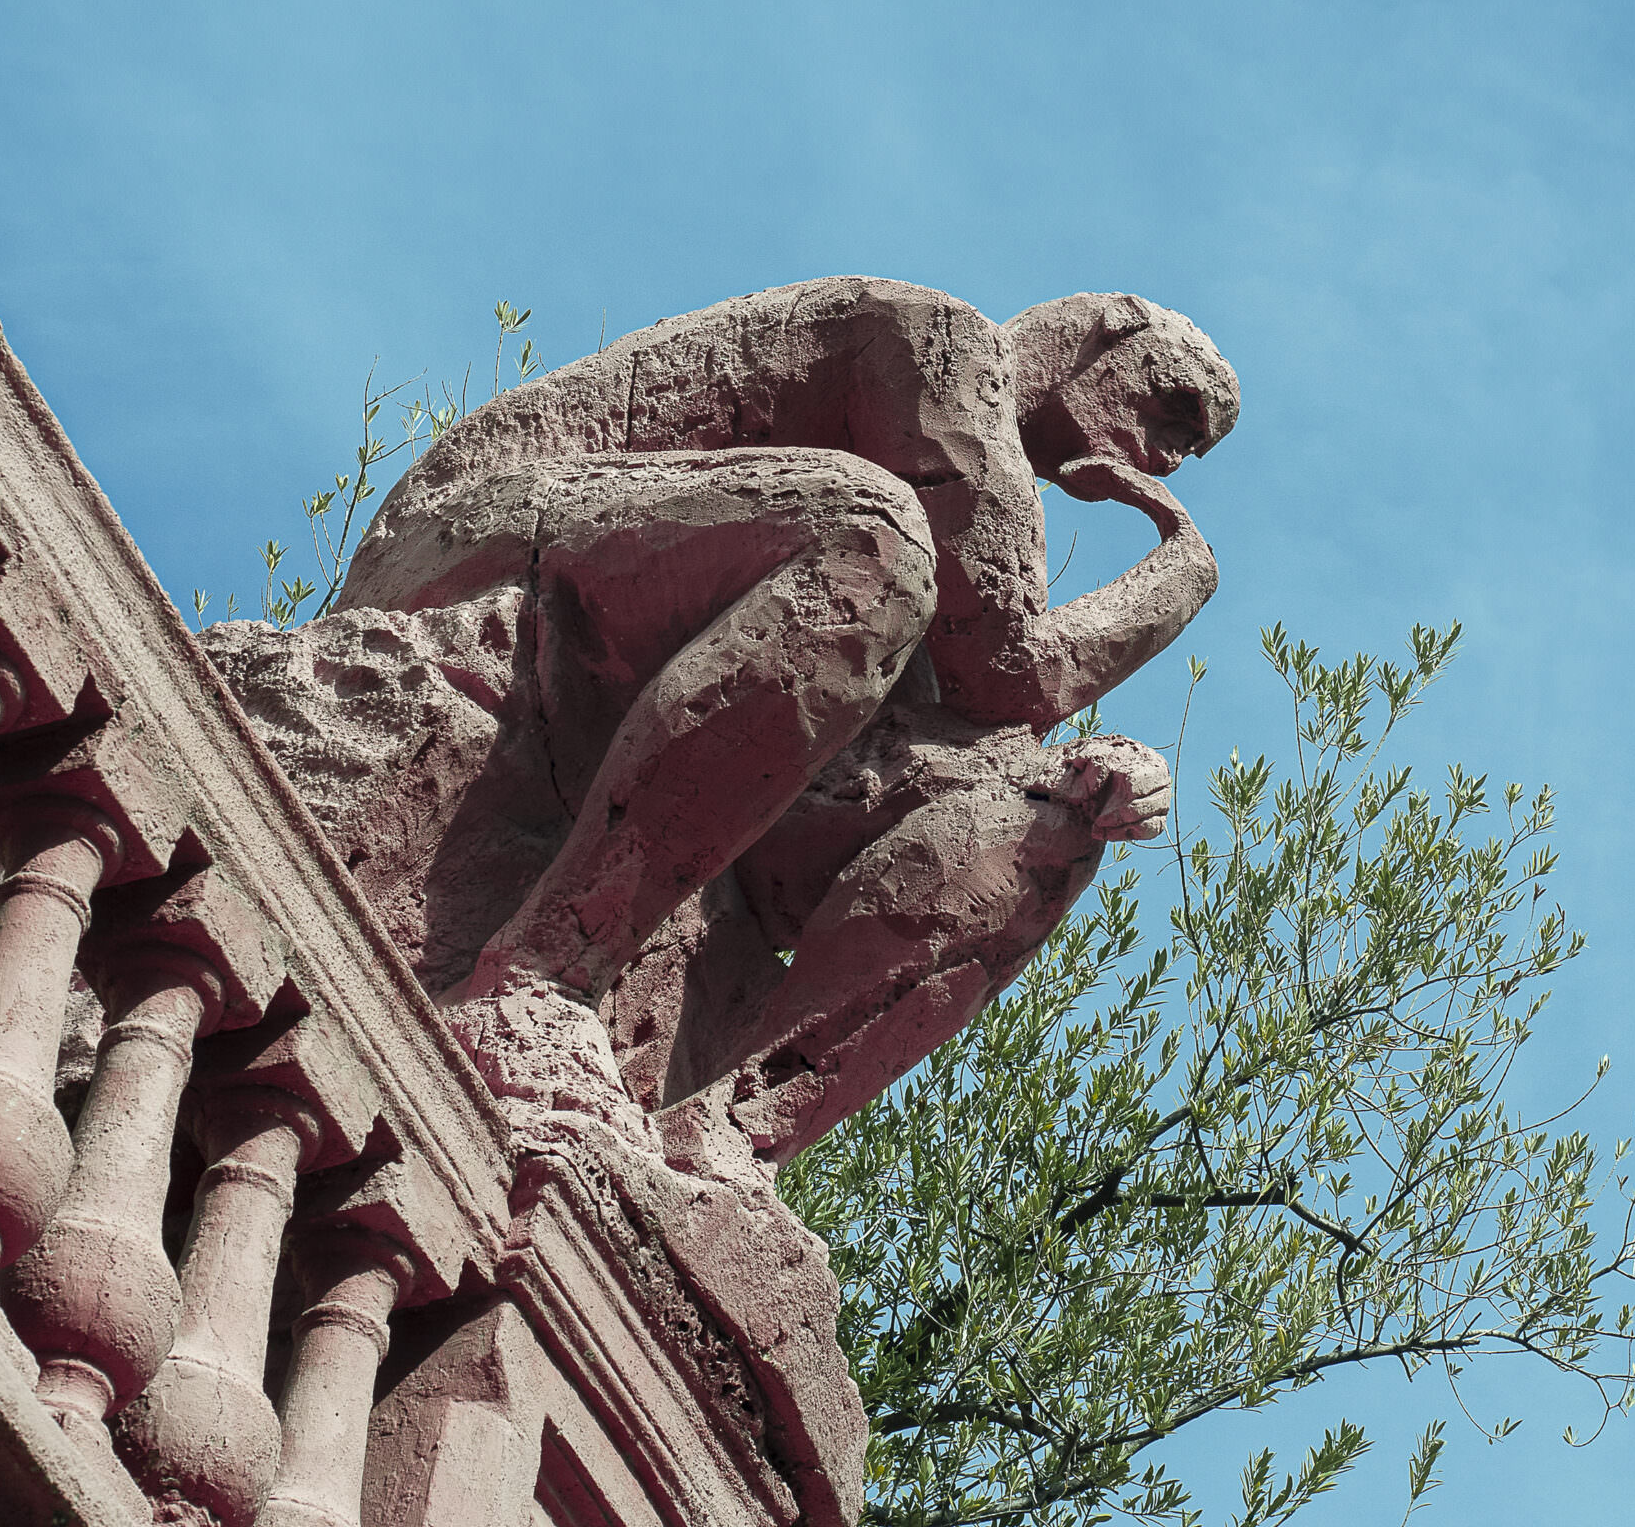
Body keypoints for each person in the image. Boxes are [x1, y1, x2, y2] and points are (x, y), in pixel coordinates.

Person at [338, 276, 1237, 1162]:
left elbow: (986, 715)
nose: (1165, 458)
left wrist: (1099, 772)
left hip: (707, 635)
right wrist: (1182, 575)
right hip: (492, 530)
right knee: (875, 537)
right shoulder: (942, 344)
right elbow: (1012, 671)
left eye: (1188, 449)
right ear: (1103, 336)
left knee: (1048, 816)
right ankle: (541, 976)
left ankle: (723, 1142)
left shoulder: (971, 545)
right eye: (1169, 409)